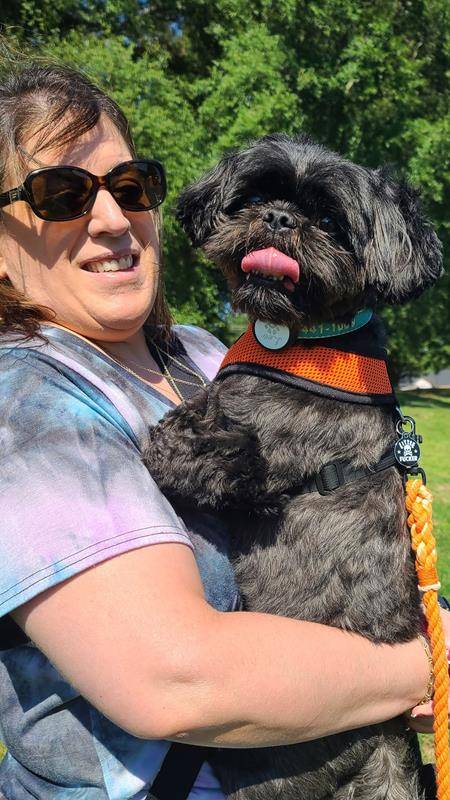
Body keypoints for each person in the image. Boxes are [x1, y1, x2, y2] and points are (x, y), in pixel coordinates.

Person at [0, 54, 448, 800]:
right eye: (61, 194)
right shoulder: (26, 408)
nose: (111, 218)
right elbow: (176, 681)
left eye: (131, 186)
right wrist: (426, 664)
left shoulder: (208, 353)